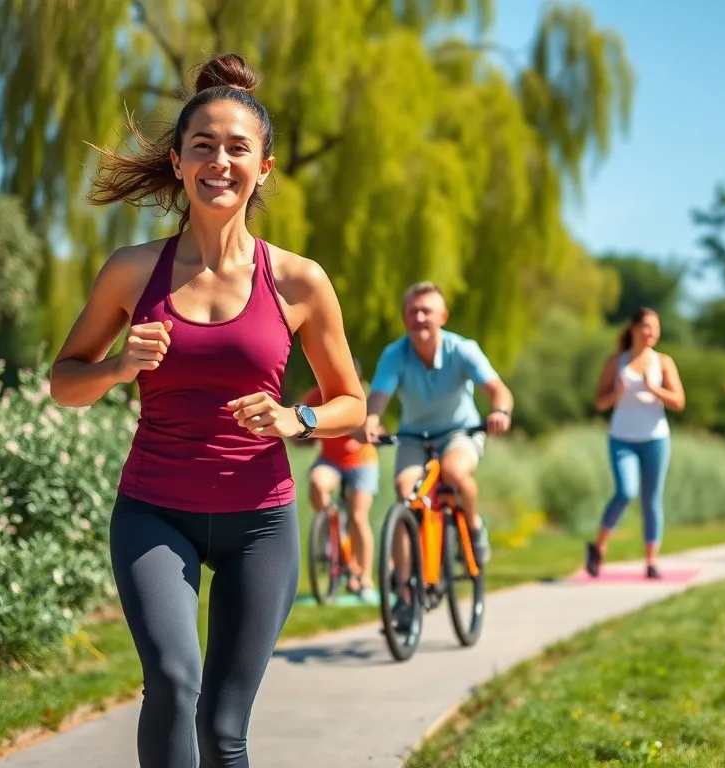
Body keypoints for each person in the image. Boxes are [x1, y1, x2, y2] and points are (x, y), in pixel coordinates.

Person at [49, 53, 365, 768]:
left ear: (264, 168)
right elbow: (64, 383)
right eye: (203, 146)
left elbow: (352, 402)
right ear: (178, 160)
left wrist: (298, 421)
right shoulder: (134, 271)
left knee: (223, 729)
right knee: (170, 679)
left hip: (262, 524)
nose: (219, 161)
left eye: (237, 148)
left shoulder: (298, 282)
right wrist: (118, 366)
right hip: (154, 510)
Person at [361, 281, 514, 568]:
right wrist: (371, 422)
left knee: (454, 471)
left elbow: (498, 390)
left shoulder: (463, 349)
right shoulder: (394, 355)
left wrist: (501, 412)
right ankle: (405, 588)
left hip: (460, 432)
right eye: (413, 312)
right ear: (404, 318)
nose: (419, 318)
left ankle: (474, 525)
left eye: (426, 311)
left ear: (442, 317)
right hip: (414, 437)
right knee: (405, 492)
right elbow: (379, 398)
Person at [586, 307, 686, 580]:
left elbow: (679, 402)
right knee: (626, 491)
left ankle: (652, 561)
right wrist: (616, 395)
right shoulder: (616, 362)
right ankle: (598, 548)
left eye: (656, 327)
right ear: (633, 329)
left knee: (651, 500)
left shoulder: (663, 362)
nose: (652, 332)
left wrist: (654, 390)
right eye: (647, 327)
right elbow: (599, 403)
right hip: (622, 439)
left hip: (656, 438)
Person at [299, 358, 379, 601]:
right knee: (316, 482)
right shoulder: (314, 396)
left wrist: (370, 433)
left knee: (358, 516)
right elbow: (300, 429)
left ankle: (364, 578)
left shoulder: (360, 397)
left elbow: (373, 428)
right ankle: (332, 527)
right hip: (331, 461)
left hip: (361, 462)